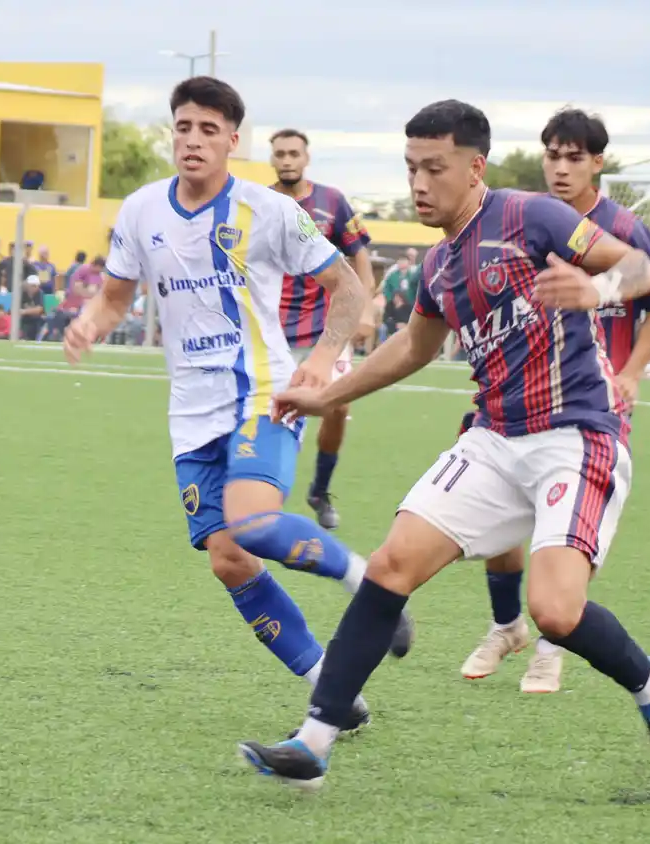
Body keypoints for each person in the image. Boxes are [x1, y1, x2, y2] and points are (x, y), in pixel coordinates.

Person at [237, 99, 650, 790]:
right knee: (392, 565)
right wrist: (324, 394)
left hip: (576, 436)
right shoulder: (442, 264)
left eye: (435, 168)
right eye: (411, 168)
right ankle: (315, 739)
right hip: (494, 440)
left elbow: (642, 270)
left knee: (556, 612)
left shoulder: (527, 215)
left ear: (474, 168)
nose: (420, 183)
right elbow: (412, 348)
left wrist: (596, 289)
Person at [65, 77, 412, 733]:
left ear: (233, 139)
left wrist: (318, 360)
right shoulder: (141, 210)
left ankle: (370, 585)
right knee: (230, 559)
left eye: (207, 129)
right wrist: (89, 322)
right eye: (183, 127)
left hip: (262, 392)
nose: (192, 140)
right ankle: (331, 695)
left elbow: (346, 289)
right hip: (190, 412)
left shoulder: (269, 210)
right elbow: (114, 297)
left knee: (252, 523)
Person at [461, 108, 650, 695]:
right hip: (520, 395)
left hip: (592, 403)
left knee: (560, 527)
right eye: (552, 155)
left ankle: (551, 644)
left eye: (574, 157)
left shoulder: (623, 229)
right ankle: (506, 625)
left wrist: (632, 371)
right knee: (497, 512)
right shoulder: (528, 219)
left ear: (598, 163)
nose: (560, 167)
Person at [268, 128, 378, 530]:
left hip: (325, 329)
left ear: (306, 157)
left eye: (294, 153)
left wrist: (364, 308)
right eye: (280, 153)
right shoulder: (261, 202)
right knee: (272, 413)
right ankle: (265, 494)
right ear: (273, 158)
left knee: (338, 405)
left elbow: (360, 257)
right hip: (274, 329)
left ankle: (319, 489)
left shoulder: (332, 201)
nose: (287, 160)